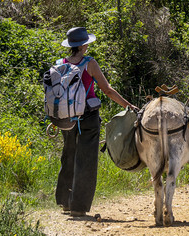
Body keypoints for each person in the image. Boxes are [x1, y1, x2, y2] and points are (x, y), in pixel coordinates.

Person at [55, 26, 135, 217]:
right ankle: (78, 206)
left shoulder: (60, 63)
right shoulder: (89, 63)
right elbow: (107, 90)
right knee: (87, 160)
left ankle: (65, 202)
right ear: (83, 45)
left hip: (66, 118)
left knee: (69, 155)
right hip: (88, 117)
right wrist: (128, 105)